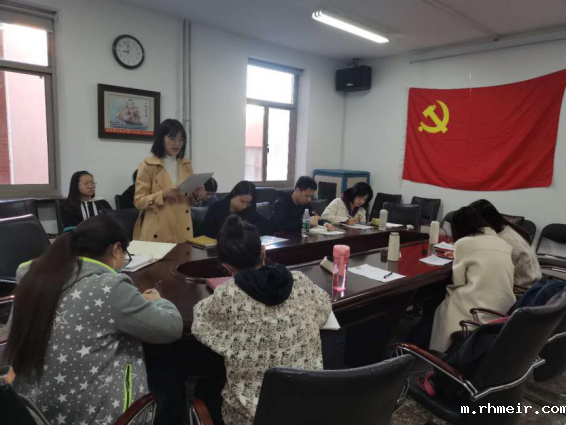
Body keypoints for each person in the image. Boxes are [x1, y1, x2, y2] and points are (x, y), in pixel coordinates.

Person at [3, 216, 183, 424]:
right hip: (90, 416)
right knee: (166, 366)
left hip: (30, 410)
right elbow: (172, 327)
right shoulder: (110, 287)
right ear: (116, 249)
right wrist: (159, 301)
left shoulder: (33, 276)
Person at [192, 216, 332, 425]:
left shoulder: (226, 296)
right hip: (308, 409)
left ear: (227, 267)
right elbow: (324, 306)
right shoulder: (299, 281)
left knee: (205, 388)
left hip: (254, 418)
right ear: (263, 252)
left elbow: (200, 322)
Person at [430, 207, 515, 353]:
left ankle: (438, 352)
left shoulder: (464, 243)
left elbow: (458, 281)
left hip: (479, 306)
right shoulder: (504, 243)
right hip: (505, 305)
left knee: (442, 307)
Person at [133, 119, 202, 243]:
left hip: (182, 231)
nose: (177, 143)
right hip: (157, 232)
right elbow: (139, 202)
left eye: (181, 139)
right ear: (161, 139)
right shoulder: (148, 164)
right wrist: (163, 194)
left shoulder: (186, 164)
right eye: (172, 138)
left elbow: (187, 202)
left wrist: (196, 195)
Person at [470, 199, 542, 290]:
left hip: (520, 289)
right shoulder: (507, 229)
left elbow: (492, 274)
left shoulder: (503, 242)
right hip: (530, 283)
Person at [203, 181, 274, 239]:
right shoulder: (216, 208)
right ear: (234, 194)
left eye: (248, 203)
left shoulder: (248, 210)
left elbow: (267, 225)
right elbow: (209, 234)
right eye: (242, 201)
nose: (244, 206)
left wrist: (247, 229)